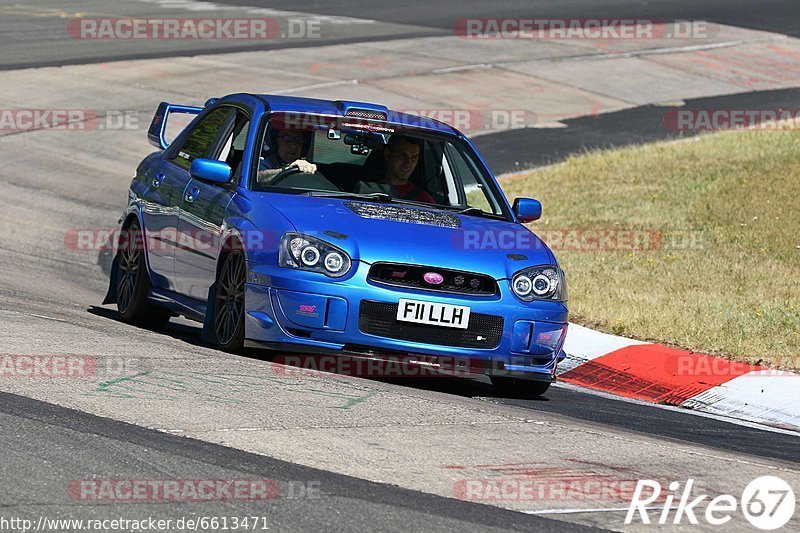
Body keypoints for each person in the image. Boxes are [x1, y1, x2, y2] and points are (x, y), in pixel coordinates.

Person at [357, 134, 435, 203]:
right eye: (402, 155)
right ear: (387, 154)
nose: (408, 162)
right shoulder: (363, 192)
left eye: (414, 157)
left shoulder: (424, 200)